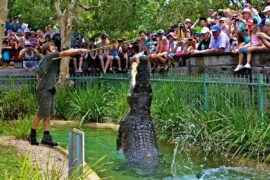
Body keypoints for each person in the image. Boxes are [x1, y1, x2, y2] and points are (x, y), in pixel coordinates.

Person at [27, 42, 89, 146]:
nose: (55, 48)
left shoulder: (44, 59)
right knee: (41, 113)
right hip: (44, 90)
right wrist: (80, 50)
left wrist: (49, 85)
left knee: (48, 114)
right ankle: (31, 135)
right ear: (47, 50)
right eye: (52, 47)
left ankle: (46, 137)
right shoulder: (50, 56)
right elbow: (65, 53)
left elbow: (38, 75)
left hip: (47, 89)